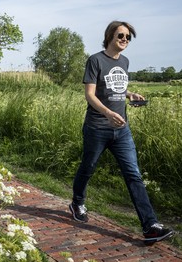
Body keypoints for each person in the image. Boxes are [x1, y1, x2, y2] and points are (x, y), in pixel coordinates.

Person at [69, 20, 174, 245]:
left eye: (128, 37)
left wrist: (130, 94)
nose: (125, 40)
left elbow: (115, 86)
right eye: (121, 36)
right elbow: (90, 94)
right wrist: (107, 113)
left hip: (122, 130)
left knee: (133, 175)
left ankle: (150, 226)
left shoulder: (125, 61)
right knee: (87, 168)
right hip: (97, 128)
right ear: (109, 37)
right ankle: (77, 203)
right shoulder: (95, 60)